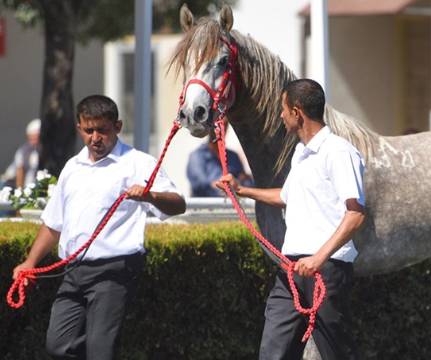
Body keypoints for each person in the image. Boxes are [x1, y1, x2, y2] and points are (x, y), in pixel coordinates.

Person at [11, 95, 186, 360]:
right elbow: (54, 222)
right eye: (88, 130)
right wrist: (30, 262)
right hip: (74, 270)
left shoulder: (138, 162)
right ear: (79, 128)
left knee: (100, 351)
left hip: (114, 270)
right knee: (58, 345)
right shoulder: (72, 167)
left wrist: (150, 196)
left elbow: (178, 204)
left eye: (102, 130)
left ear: (117, 126)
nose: (95, 137)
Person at [216, 79, 366, 359]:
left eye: (283, 110)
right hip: (292, 268)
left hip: (327, 269)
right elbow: (286, 196)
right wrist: (241, 190)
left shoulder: (338, 152)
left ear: (297, 112)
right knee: (275, 350)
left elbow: (355, 214)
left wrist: (319, 258)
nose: (281, 116)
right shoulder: (301, 153)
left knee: (335, 351)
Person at [186, 121, 252, 197]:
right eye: (216, 124)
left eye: (223, 125)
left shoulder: (233, 156)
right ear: (208, 126)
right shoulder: (197, 156)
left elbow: (245, 182)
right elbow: (200, 185)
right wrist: (225, 188)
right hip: (206, 207)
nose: (219, 128)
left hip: (231, 206)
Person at [2, 118, 41, 189]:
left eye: (35, 137)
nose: (33, 141)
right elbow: (19, 171)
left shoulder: (42, 150)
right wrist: (20, 191)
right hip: (11, 183)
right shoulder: (24, 150)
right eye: (31, 138)